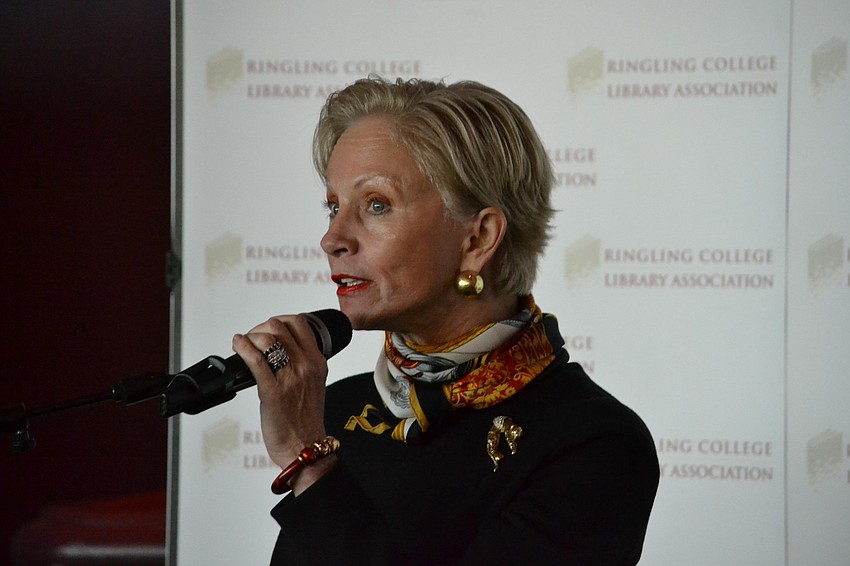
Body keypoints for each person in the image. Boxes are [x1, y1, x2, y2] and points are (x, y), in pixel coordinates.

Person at [232, 76, 659, 565]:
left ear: (478, 239)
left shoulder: (595, 443)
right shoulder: (335, 409)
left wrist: (310, 463)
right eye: (333, 207)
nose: (333, 238)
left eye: (376, 205)